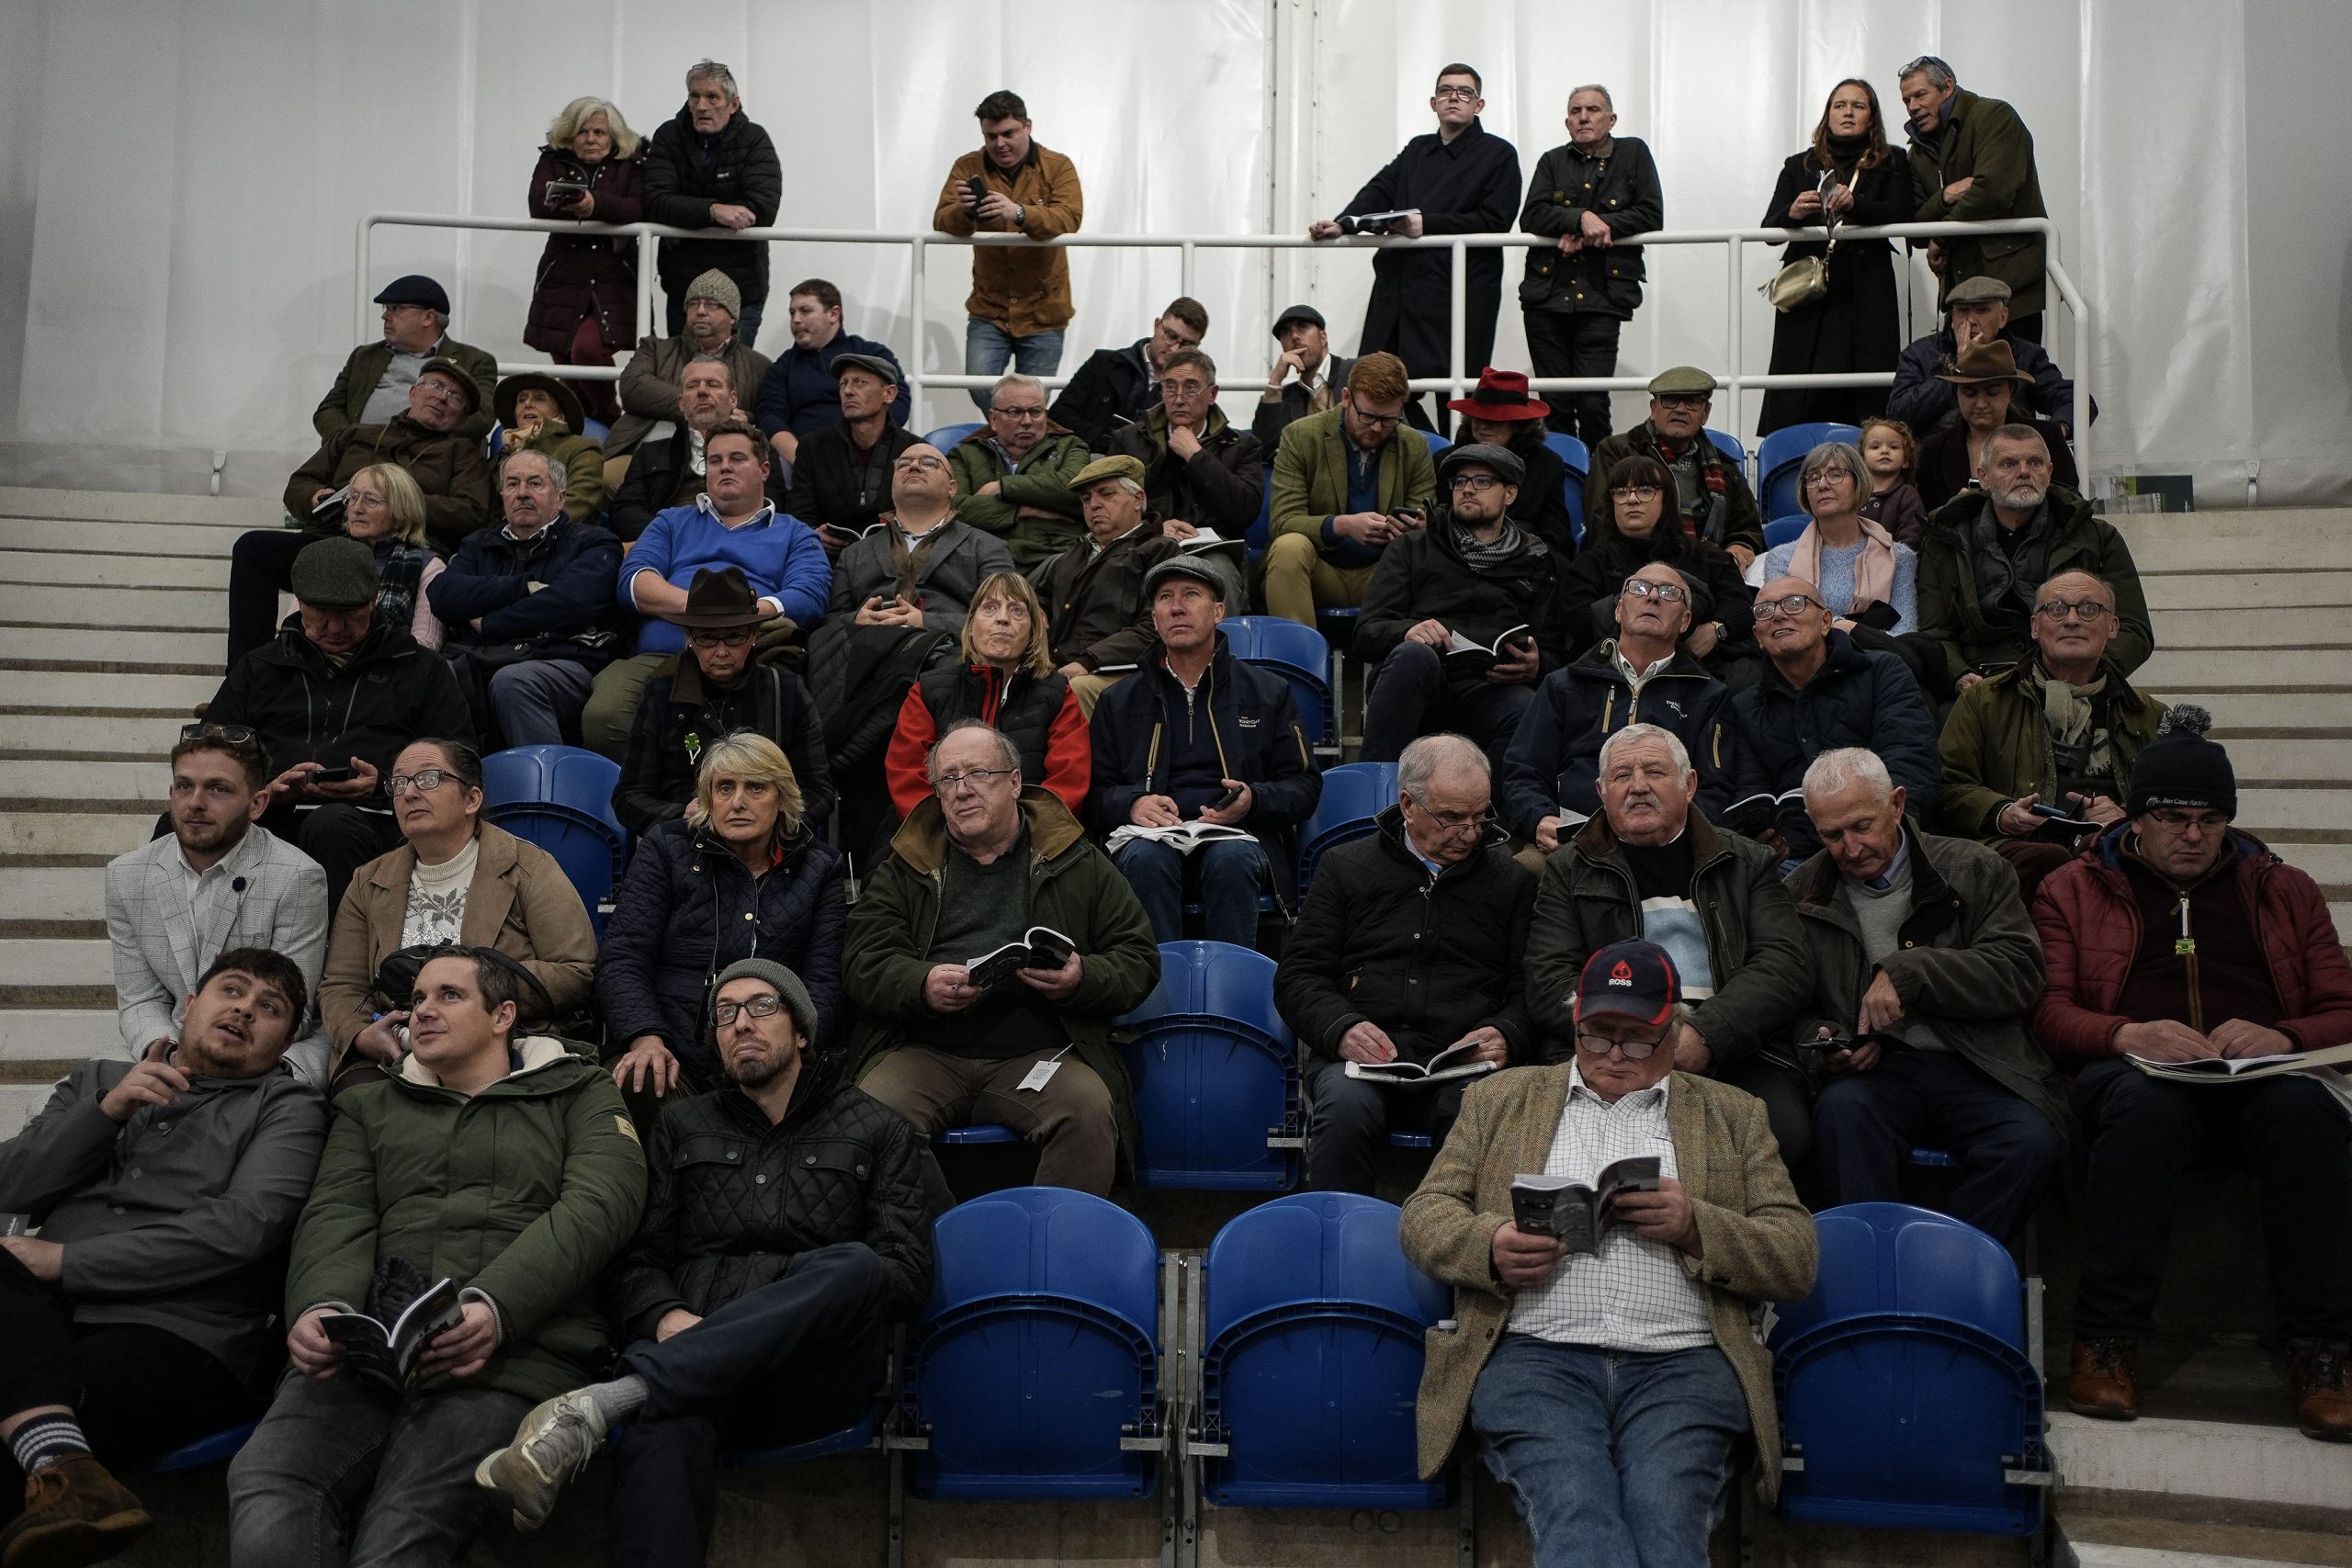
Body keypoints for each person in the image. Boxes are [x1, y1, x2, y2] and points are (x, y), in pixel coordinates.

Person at [473, 959, 928, 1555]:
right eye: (724, 1013)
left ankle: (613, 1400)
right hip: (694, 1373)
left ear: (801, 1031)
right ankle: (634, 1397)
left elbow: (906, 1272)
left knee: (858, 1266)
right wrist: (665, 1317)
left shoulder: (878, 1128)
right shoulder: (681, 1126)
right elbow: (637, 1260)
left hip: (811, 1376)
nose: (741, 1023)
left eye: (762, 1006)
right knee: (664, 1426)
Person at [1398, 937, 1819, 1565]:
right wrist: (1490, 1246)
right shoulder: (1500, 1099)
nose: (1616, 1055)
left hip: (1684, 1364)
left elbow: (1795, 1254)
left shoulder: (1734, 1114)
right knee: (1581, 1521)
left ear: (1675, 1032)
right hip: (1536, 1357)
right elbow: (1424, 1214)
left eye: (1639, 1039)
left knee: (1666, 1526)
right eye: (1597, 1035)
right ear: (1575, 1023)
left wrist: (1696, 1226)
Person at [225, 949, 645, 1566]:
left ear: (503, 1016)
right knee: (269, 1483)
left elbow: (601, 1204)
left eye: (449, 995)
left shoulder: (579, 1089)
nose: (422, 1010)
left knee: (402, 1534)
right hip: (368, 1355)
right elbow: (337, 1214)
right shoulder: (369, 1104)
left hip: (510, 1359)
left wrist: (495, 1307)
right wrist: (321, 1306)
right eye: (417, 997)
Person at [2032, 712, 2352, 1438]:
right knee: (2144, 1109)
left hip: (2259, 1075)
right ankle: (2107, 1339)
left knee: (2308, 1115)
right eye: (2173, 818)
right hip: (2134, 1074)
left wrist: (2284, 1035)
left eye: (2210, 819)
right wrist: (2125, 1032)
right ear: (2137, 817)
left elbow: (2342, 1010)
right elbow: (2048, 1012)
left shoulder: (2285, 889)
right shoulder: (2073, 889)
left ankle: (2324, 1349)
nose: (2193, 834)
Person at [0, 950, 326, 1563]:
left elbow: (241, 1228)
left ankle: (58, 1462)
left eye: (270, 1008)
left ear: (284, 1044)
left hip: (179, 1332)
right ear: (188, 1006)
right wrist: (107, 1111)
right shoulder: (97, 1080)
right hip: (41, 1315)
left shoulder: (288, 1107)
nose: (244, 1010)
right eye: (232, 990)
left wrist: (66, 1261)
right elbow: (12, 1187)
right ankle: (65, 1465)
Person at [847, 722, 1160, 1200]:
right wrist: (920, 983)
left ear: (1014, 782)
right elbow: (863, 962)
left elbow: (1138, 957)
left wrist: (1082, 977)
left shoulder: (1075, 859)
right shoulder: (906, 865)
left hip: (1041, 1053)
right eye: (948, 779)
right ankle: (945, 1243)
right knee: (875, 1112)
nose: (962, 790)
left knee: (1088, 1110)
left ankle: (1052, 1244)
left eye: (978, 774)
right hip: (927, 1052)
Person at [1791, 750, 2067, 1243]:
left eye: (1862, 826)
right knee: (1841, 1115)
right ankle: (1872, 1271)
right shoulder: (1801, 891)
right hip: (1878, 1073)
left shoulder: (1975, 867)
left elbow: (2019, 972)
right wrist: (1823, 1041)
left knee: (2031, 1143)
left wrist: (1909, 971)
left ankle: (1945, 1267)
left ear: (1897, 805)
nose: (1851, 848)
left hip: (1980, 1062)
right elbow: (1788, 1001)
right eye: (1832, 835)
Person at [1523, 724, 1815, 1165]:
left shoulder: (1747, 861)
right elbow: (1548, 980)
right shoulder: (1567, 869)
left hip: (1733, 1047)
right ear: (1601, 792)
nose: (1638, 786)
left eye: (1655, 772)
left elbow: (1785, 965)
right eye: (1622, 776)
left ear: (1689, 784)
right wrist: (1629, 1038)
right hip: (1607, 1050)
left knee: (1782, 1133)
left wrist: (1707, 1034)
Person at [1277, 736, 1536, 1194]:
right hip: (1361, 1062)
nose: (1469, 833)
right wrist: (1342, 1029)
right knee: (1343, 1111)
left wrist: (1506, 1033)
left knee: (1479, 1111)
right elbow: (1298, 977)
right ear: (1408, 805)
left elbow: (1531, 988)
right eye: (1452, 818)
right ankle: (1338, 1230)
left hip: (1462, 1063)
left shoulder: (1511, 883)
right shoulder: (1346, 867)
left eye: (1480, 817)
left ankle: (1462, 1235)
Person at [204, 537, 474, 912]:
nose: (334, 627)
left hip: (375, 823)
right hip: (269, 816)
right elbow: (209, 753)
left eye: (348, 614)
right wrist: (265, 790)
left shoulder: (420, 667)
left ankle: (344, 948)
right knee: (181, 823)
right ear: (299, 603)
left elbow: (461, 763)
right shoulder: (259, 667)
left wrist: (384, 785)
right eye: (320, 613)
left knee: (331, 825)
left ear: (373, 600)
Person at [318, 739, 597, 1087]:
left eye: (428, 778)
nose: (409, 793)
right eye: (399, 783)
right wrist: (361, 1034)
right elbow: (342, 985)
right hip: (398, 1051)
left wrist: (476, 1001)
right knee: (358, 1097)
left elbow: (575, 971)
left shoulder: (528, 866)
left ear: (472, 800)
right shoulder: (369, 880)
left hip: (504, 1044)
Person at [600, 734, 847, 1106]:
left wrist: (791, 1048)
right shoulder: (667, 848)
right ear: (707, 799)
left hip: (772, 1053)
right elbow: (623, 957)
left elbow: (824, 981)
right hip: (675, 1050)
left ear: (782, 799)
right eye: (725, 788)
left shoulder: (819, 867)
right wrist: (645, 1036)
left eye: (756, 787)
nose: (738, 802)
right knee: (642, 1078)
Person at [1091, 558, 1323, 946]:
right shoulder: (1118, 701)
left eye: (1191, 595)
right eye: (1166, 598)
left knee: (1231, 859)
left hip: (1240, 834)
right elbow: (1095, 793)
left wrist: (1253, 801)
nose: (1177, 607)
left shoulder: (1268, 693)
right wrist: (1132, 804)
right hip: (1150, 838)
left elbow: (1304, 786)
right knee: (1145, 860)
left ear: (1218, 612)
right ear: (1155, 618)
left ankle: (1232, 980)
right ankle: (1158, 983)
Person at [803, 444, 1016, 854]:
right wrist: (856, 620)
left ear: (951, 486)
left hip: (940, 660)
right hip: (865, 660)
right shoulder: (855, 553)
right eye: (905, 463)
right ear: (892, 482)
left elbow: (1003, 623)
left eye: (928, 462)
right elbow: (829, 623)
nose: (915, 465)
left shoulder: (987, 547)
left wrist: (926, 622)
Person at [582, 416, 831, 760]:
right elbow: (634, 581)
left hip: (749, 659)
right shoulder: (670, 521)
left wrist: (734, 618)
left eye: (737, 458)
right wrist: (704, 607)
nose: (724, 467)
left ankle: (713, 784)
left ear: (764, 470)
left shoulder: (795, 533)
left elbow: (809, 594)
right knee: (603, 717)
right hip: (662, 655)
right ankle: (666, 782)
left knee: (757, 725)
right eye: (715, 460)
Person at [107, 728, 329, 1077]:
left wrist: (208, 1057)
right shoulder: (126, 875)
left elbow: (292, 1011)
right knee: (61, 1100)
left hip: (259, 1052)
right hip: (169, 1049)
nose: (195, 802)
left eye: (218, 789)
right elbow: (140, 1000)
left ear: (257, 804)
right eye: (184, 786)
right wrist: (170, 1055)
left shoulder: (298, 877)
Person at [1311, 63, 1521, 432]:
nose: (1454, 97)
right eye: (1446, 90)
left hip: (1459, 290)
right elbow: (1380, 189)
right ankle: (1420, 452)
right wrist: (1343, 223)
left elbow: (1496, 219)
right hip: (1401, 287)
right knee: (1378, 384)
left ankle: (1450, 460)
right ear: (1433, 102)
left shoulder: (1498, 154)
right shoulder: (1417, 149)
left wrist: (1428, 223)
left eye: (1465, 92)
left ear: (1479, 105)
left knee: (1454, 391)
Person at [1939, 570, 2165, 898]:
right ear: (2035, 627)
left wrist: (2128, 817)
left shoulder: (2149, 714)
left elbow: (2174, 804)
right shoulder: (1984, 700)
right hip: (2016, 848)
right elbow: (1948, 785)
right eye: (2056, 609)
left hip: (2113, 848)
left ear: (2113, 627)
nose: (2072, 620)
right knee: (2047, 859)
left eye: (2089, 608)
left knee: (2104, 850)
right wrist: (2001, 813)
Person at [1501, 560, 1741, 856]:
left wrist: (1671, 838)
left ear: (1685, 621)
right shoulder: (1564, 684)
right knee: (1525, 871)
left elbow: (1714, 789)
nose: (1652, 597)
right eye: (1639, 588)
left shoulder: (1709, 695)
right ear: (1618, 610)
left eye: (1669, 593)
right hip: (1569, 844)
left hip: (1664, 848)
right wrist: (1539, 819)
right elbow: (1524, 771)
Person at [1357, 443, 1564, 769]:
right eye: (1459, 482)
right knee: (1413, 655)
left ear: (1510, 494)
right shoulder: (1412, 547)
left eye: (1482, 481)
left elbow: (1554, 649)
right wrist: (1407, 631)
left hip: (1489, 688)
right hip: (1422, 681)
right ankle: (1375, 789)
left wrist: (1537, 666)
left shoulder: (1537, 562)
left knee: (1526, 706)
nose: (1467, 489)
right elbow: (1366, 633)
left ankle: (1486, 803)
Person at [1917, 423, 2152, 689]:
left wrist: (2088, 675)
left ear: (2049, 473)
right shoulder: (1945, 540)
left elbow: (2133, 629)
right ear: (1983, 477)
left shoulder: (2097, 537)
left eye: (2035, 463)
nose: (2024, 472)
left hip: (2073, 680)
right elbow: (1936, 632)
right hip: (1979, 682)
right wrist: (1960, 675)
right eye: (2008, 464)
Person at [1731, 576, 1939, 863]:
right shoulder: (1746, 706)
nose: (1778, 615)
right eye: (1764, 611)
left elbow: (1911, 758)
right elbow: (1750, 787)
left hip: (1883, 839)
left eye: (1794, 603)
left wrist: (1873, 831)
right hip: (1797, 856)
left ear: (1826, 621)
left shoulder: (1882, 671)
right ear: (1758, 637)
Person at [614, 566, 835, 837]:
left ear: (754, 636)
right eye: (707, 637)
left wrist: (772, 819)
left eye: (734, 636)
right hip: (686, 841)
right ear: (688, 637)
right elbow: (628, 798)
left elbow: (820, 792)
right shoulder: (661, 696)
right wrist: (682, 816)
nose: (721, 651)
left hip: (769, 845)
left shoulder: (787, 692)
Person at [432, 448, 626, 750]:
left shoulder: (593, 542)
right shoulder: (478, 543)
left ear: (561, 498)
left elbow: (571, 604)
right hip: (480, 657)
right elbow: (442, 595)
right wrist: (524, 587)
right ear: (503, 496)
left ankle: (547, 779)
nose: (522, 493)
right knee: (429, 674)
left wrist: (490, 622)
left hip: (561, 660)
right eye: (512, 484)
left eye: (535, 483)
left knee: (514, 681)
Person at [1757, 79, 1912, 434]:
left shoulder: (1891, 161)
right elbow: (1768, 229)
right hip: (1808, 292)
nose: (1848, 112)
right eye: (1839, 105)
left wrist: (1857, 204)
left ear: (1872, 117)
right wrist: (1794, 212)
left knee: (1863, 390)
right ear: (1828, 115)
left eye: (1858, 106)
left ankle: (1866, 458)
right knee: (1802, 387)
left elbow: (1905, 214)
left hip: (1865, 288)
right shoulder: (1800, 165)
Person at [1517, 85, 1664, 446]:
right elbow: (1531, 216)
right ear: (1567, 122)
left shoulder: (1633, 152)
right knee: (1553, 404)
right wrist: (1579, 218)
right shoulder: (1552, 160)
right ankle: (1564, 473)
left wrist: (1596, 227)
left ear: (1611, 119)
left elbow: (1651, 213)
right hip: (1546, 296)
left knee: (1593, 402)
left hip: (1603, 295)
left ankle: (1599, 473)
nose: (1583, 117)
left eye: (1593, 110)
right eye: (1576, 111)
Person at [885, 570, 1090, 821]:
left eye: (1017, 611)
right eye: (990, 608)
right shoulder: (927, 691)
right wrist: (951, 831)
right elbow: (907, 778)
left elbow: (1069, 782)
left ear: (1033, 631)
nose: (1002, 619)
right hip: (941, 831)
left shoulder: (1058, 694)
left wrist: (1019, 832)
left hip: (1035, 834)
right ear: (971, 626)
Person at [1263, 351, 1438, 626]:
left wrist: (1418, 527)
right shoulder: (1300, 436)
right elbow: (1282, 522)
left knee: (1425, 553)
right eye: (1367, 416)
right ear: (1346, 398)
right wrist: (1342, 525)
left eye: (1389, 419)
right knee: (1288, 548)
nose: (1377, 428)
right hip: (1321, 569)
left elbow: (1425, 516)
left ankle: (1406, 653)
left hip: (1385, 575)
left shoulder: (1414, 445)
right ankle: (1299, 652)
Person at [933, 90, 1085, 404]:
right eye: (991, 136)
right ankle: (1009, 433)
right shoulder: (967, 166)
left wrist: (1019, 213)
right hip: (990, 309)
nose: (999, 143)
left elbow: (1070, 217)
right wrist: (965, 211)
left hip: (1044, 312)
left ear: (1028, 126)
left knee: (1032, 401)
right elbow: (941, 219)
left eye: (1008, 133)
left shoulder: (1058, 166)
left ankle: (1012, 434)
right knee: (979, 386)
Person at [228, 461, 445, 665]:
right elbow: (295, 629)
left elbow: (425, 642)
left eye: (371, 500)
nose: (356, 508)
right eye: (353, 498)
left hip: (389, 671)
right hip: (318, 669)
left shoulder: (428, 566)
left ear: (401, 511)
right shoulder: (325, 556)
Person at [1557, 456, 1756, 679]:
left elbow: (1741, 605)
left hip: (1704, 676)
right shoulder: (1589, 565)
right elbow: (1581, 623)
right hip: (1614, 677)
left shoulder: (1708, 558)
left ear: (1667, 500)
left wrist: (1715, 630)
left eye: (1645, 490)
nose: (1632, 500)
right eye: (1621, 492)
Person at [282, 355, 494, 556]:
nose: (442, 397)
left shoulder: (464, 454)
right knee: (263, 546)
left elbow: (471, 512)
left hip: (405, 548)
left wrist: (399, 504)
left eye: (456, 397)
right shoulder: (356, 434)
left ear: (462, 419)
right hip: (328, 537)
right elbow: (299, 484)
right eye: (436, 385)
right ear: (413, 392)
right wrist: (317, 496)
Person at [1899, 57, 2050, 338]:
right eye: (1906, 100)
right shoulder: (1917, 153)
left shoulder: (1994, 116)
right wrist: (1946, 196)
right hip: (1959, 296)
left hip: (2011, 294)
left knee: (2013, 367)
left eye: (1920, 95)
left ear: (1947, 87)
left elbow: (1993, 192)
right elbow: (1916, 227)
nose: (1913, 106)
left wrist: (1941, 237)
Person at [641, 61, 782, 347]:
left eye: (712, 97)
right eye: (694, 96)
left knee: (732, 370)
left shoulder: (754, 139)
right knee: (685, 371)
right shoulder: (669, 136)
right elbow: (655, 201)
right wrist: (714, 211)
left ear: (733, 104)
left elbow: (762, 208)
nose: (701, 106)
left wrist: (685, 214)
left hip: (741, 288)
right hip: (684, 287)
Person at [523, 96, 645, 424]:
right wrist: (583, 205)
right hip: (562, 275)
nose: (590, 139)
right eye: (582, 132)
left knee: (587, 350)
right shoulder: (553, 158)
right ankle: (582, 431)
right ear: (569, 134)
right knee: (565, 362)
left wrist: (595, 204)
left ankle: (609, 419)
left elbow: (639, 208)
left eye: (599, 132)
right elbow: (537, 202)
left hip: (613, 276)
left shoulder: (632, 163)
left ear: (613, 137)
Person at [1035, 456, 1183, 714]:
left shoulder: (1160, 551)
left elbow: (1156, 625)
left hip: (1120, 672)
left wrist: (1089, 661)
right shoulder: (1073, 554)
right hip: (1061, 669)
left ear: (1138, 499)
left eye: (1106, 494)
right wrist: (1036, 610)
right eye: (1086, 499)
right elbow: (1042, 595)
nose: (1094, 504)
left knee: (1075, 690)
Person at [1585, 368, 1764, 571]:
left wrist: (1740, 546)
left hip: (1710, 568)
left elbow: (1747, 528)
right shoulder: (1616, 452)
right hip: (1632, 567)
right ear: (1653, 409)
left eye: (1692, 401)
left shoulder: (1724, 466)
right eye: (1670, 400)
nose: (1680, 409)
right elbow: (1601, 525)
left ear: (1705, 413)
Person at [605, 271, 774, 464]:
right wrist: (713, 411)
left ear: (732, 316)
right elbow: (633, 388)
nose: (700, 311)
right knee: (608, 476)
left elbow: (766, 417)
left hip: (719, 460)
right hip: (641, 453)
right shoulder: (655, 349)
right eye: (693, 304)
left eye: (711, 304)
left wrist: (742, 417)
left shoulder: (758, 366)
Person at [1753, 442, 1920, 634]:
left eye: (1835, 474)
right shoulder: (1781, 559)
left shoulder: (1899, 557)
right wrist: (1850, 629)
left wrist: (1836, 628)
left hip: (1879, 654)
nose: (1822, 485)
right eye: (1813, 478)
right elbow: (1787, 630)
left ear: (1859, 483)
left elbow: (1905, 635)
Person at [1105, 347, 1266, 540]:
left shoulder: (1241, 445)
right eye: (1171, 388)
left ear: (1212, 394)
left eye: (1190, 388)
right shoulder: (1128, 439)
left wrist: (1196, 455)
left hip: (1213, 545)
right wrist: (1153, 528)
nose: (1179, 399)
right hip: (1146, 542)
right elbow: (1111, 505)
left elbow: (1244, 513)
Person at [1886, 276, 2077, 436]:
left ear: (2003, 317)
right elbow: (1898, 414)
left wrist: (2057, 429)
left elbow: (2072, 399)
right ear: (1952, 318)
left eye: (1982, 310)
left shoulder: (2027, 354)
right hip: (1937, 455)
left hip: (2009, 451)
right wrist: (1958, 368)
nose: (1971, 320)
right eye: (1963, 311)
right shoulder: (1920, 353)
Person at [315, 275, 495, 443]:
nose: (385, 316)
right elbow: (329, 409)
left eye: (396, 308)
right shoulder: (364, 356)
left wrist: (418, 444)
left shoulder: (474, 361)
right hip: (360, 453)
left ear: (428, 318)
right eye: (386, 308)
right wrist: (349, 441)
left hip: (430, 456)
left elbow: (481, 417)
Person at [753, 279, 911, 467]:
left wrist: (861, 447)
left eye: (805, 311)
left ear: (834, 314)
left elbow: (899, 403)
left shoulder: (871, 354)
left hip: (868, 456)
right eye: (792, 312)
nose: (796, 319)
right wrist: (803, 460)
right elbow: (770, 417)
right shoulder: (783, 367)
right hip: (801, 461)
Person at [945, 373, 1090, 567]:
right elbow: (952, 509)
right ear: (994, 419)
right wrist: (1021, 510)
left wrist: (1001, 487)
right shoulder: (964, 454)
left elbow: (1074, 487)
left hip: (1053, 557)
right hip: (983, 559)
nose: (1027, 421)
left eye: (1036, 411)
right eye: (1015, 412)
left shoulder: (1071, 446)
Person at [1915, 342, 2079, 510]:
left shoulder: (2047, 436)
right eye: (1970, 394)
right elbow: (1924, 515)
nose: (1981, 404)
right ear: (1956, 394)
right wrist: (1951, 512)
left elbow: (2072, 503)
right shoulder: (1934, 448)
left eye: (1992, 393)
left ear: (2011, 392)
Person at [783, 353, 920, 553]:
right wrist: (811, 534)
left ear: (889, 394)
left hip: (896, 557)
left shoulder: (914, 450)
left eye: (860, 383)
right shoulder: (812, 447)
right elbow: (799, 514)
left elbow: (925, 517)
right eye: (843, 384)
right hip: (828, 558)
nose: (848, 391)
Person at [606, 353, 744, 541]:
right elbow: (624, 513)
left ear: (733, 399)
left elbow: (771, 506)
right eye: (692, 386)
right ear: (681, 403)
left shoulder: (758, 451)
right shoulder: (651, 454)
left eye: (712, 384)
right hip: (667, 545)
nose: (702, 392)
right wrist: (670, 535)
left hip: (736, 544)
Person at [1446, 368, 1575, 558]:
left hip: (1525, 561)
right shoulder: (1447, 462)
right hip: (1455, 559)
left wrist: (1525, 558)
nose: (1483, 426)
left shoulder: (1547, 465)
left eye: (1495, 420)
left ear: (1520, 425)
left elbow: (1557, 537)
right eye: (1477, 417)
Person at [1049, 298, 1207, 450]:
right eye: (1171, 336)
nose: (1175, 349)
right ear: (1157, 325)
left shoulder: (1195, 388)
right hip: (1091, 455)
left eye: (1187, 344)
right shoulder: (1103, 363)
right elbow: (1060, 414)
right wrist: (1108, 442)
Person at [492, 373, 607, 522]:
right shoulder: (505, 454)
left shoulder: (583, 449)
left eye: (539, 398)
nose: (528, 404)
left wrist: (530, 527)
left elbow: (578, 502)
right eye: (521, 400)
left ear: (560, 412)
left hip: (563, 533)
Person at [1252, 303, 1355, 451]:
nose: (1294, 336)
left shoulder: (1356, 371)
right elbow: (1264, 449)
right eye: (1286, 332)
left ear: (1323, 338)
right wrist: (1274, 382)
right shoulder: (1286, 396)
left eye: (1302, 327)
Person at [1856, 415, 1928, 547]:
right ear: (1862, 459)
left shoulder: (1908, 495)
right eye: (1875, 447)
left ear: (1905, 461)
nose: (1885, 451)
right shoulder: (1853, 492)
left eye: (1894, 447)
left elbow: (1911, 538)